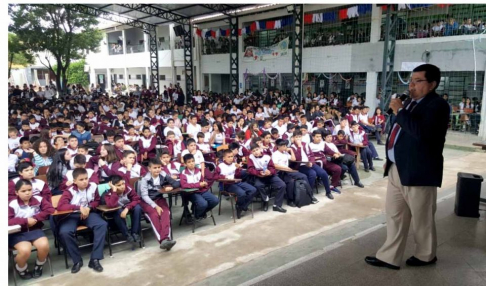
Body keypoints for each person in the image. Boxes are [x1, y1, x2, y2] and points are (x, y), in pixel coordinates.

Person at [365, 64, 450, 270]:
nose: (411, 85)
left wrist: (400, 111)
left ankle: (426, 255)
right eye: (410, 81)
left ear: (432, 84)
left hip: (419, 170)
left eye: (417, 81)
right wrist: (392, 154)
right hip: (397, 166)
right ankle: (389, 256)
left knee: (422, 217)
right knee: (394, 214)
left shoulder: (437, 106)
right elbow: (400, 133)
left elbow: (421, 133)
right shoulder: (411, 103)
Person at [57, 168, 108, 273]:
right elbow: (61, 206)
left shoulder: (93, 186)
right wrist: (78, 208)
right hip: (72, 215)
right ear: (75, 181)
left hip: (89, 214)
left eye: (86, 178)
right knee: (65, 232)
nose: (85, 181)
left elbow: (97, 201)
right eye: (81, 179)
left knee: (102, 224)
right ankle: (77, 261)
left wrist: (89, 208)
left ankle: (95, 258)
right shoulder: (69, 191)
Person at [8, 179, 54, 280]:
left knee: (44, 246)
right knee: (25, 250)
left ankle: (39, 265)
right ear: (16, 192)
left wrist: (35, 218)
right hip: (17, 232)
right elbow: (8, 220)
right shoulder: (12, 204)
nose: (27, 193)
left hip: (35, 229)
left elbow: (50, 209)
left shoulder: (39, 199)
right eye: (23, 191)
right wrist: (25, 221)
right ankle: (21, 268)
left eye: (29, 190)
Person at [139, 158, 179, 250]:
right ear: (149, 169)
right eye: (155, 168)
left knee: (166, 212)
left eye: (159, 167)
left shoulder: (163, 174)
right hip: (147, 202)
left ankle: (166, 239)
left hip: (159, 198)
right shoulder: (145, 179)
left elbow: (176, 183)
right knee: (154, 215)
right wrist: (155, 206)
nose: (157, 169)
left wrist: (170, 186)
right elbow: (144, 196)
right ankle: (163, 240)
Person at [272, 139, 318, 207]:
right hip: (280, 173)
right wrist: (286, 168)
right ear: (278, 146)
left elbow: (293, 159)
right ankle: (290, 200)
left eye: (285, 146)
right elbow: (275, 166)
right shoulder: (275, 154)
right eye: (283, 146)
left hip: (288, 171)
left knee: (303, 176)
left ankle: (310, 194)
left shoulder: (285, 153)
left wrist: (291, 150)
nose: (285, 147)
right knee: (291, 182)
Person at [215, 149, 257, 218]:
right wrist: (225, 177)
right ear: (224, 158)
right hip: (227, 185)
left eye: (232, 156)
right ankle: (241, 206)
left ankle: (241, 206)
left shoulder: (234, 164)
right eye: (229, 157)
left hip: (237, 182)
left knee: (253, 190)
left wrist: (238, 169)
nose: (231, 158)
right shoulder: (220, 166)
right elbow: (215, 177)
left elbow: (238, 176)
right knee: (242, 193)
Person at [247, 143, 287, 212]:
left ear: (260, 149)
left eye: (257, 150)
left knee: (282, 185)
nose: (256, 152)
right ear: (251, 152)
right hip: (259, 175)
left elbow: (272, 168)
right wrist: (258, 172)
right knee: (258, 185)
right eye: (253, 151)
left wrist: (270, 171)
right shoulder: (251, 157)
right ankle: (265, 199)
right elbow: (250, 169)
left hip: (269, 175)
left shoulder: (267, 157)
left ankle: (277, 205)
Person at [180, 154, 220, 220]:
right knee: (203, 203)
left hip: (201, 191)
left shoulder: (198, 170)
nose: (191, 163)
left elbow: (201, 181)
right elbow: (184, 185)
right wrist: (198, 184)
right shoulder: (184, 173)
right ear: (185, 164)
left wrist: (204, 183)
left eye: (193, 161)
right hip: (191, 193)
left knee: (215, 200)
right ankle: (197, 214)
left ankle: (199, 212)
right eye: (189, 162)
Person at [105, 175, 143, 245]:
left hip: (129, 207)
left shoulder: (128, 189)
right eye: (119, 185)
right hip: (118, 210)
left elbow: (136, 199)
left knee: (138, 208)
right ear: (113, 186)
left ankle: (135, 233)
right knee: (117, 212)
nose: (122, 186)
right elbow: (112, 205)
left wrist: (127, 208)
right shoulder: (108, 194)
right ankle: (126, 235)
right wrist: (114, 191)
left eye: (123, 184)